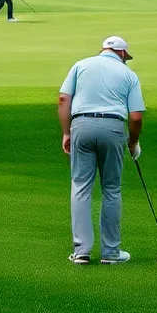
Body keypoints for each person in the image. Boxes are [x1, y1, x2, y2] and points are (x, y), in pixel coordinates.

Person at [58, 35, 145, 265]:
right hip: (113, 127)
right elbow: (136, 116)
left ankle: (81, 251)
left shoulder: (81, 65)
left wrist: (67, 132)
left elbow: (63, 98)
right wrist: (133, 142)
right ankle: (111, 253)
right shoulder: (129, 74)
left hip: (81, 126)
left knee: (80, 187)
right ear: (123, 54)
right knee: (112, 189)